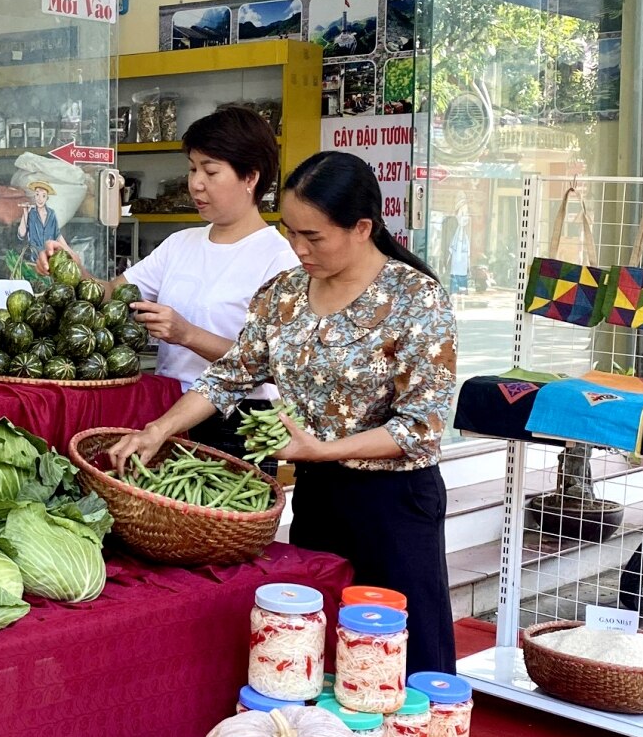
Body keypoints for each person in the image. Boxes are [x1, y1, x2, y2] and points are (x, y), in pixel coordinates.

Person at [107, 151, 459, 673]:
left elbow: (421, 426)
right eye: (290, 232)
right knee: (319, 643)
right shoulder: (284, 293)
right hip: (320, 494)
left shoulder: (415, 299)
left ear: (362, 227)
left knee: (401, 652)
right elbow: (230, 373)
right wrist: (159, 429)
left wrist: (327, 449)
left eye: (312, 237)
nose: (297, 249)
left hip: (394, 502)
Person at [43, 105, 296, 461]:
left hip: (238, 425)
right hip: (166, 410)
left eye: (210, 171)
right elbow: (112, 294)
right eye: (192, 168)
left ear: (250, 177)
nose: (196, 183)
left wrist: (186, 334)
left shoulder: (279, 259)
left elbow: (274, 364)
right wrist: (74, 270)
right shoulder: (181, 243)